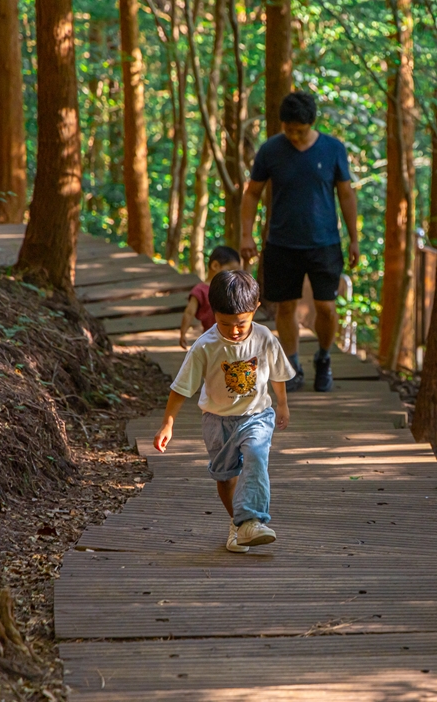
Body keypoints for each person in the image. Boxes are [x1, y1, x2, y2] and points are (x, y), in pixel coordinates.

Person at [152, 270, 295, 553]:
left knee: (255, 454)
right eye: (224, 323)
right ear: (212, 313)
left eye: (241, 323)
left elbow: (277, 373)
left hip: (256, 415)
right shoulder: (205, 346)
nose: (234, 331)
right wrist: (168, 423)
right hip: (217, 420)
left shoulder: (265, 338)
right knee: (226, 477)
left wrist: (282, 403)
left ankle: (253, 520)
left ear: (255, 309)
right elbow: (182, 388)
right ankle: (240, 526)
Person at [240, 91, 360, 393]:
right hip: (282, 242)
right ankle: (291, 365)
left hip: (325, 243)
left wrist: (354, 238)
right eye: (288, 128)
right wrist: (246, 234)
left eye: (300, 130)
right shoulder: (270, 150)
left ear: (312, 123)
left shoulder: (332, 149)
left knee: (326, 306)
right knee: (285, 306)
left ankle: (323, 358)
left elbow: (346, 194)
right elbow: (252, 193)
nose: (293, 135)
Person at [180, 246, 243, 349]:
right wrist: (183, 333)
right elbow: (189, 312)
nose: (233, 276)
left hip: (233, 335)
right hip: (211, 338)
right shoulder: (200, 290)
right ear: (215, 266)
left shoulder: (231, 289)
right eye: (230, 271)